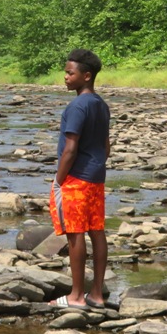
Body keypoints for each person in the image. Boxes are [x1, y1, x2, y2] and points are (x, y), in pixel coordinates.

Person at [49, 49, 111, 310]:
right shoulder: (100, 104)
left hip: (76, 179)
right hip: (95, 177)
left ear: (86, 76)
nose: (65, 77)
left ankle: (75, 296)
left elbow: (70, 149)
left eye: (69, 73)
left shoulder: (77, 106)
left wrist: (58, 181)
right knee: (96, 232)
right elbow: (106, 146)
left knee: (75, 235)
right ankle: (96, 294)